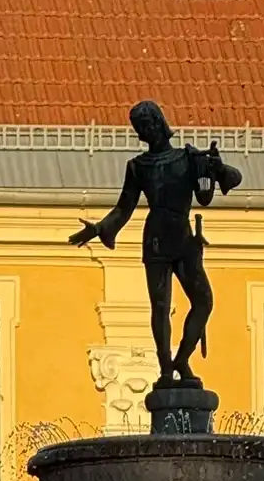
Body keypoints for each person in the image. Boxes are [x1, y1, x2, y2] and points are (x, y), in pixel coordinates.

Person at [70, 101, 242, 387]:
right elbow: (124, 208)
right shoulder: (137, 167)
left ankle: (182, 359)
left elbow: (229, 182)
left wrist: (218, 166)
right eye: (141, 127)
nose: (147, 129)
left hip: (184, 238)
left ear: (161, 122)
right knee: (160, 307)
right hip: (156, 240)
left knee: (203, 301)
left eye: (149, 123)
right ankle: (165, 369)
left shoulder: (189, 158)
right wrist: (101, 228)